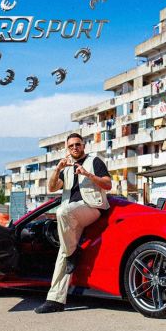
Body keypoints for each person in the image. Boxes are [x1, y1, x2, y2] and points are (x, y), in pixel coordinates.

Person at [35, 133, 112, 314]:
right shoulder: (67, 168)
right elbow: (52, 188)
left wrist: (88, 174)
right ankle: (55, 300)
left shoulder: (94, 162)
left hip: (92, 208)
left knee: (62, 212)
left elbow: (108, 185)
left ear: (83, 145)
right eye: (71, 146)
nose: (75, 148)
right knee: (63, 252)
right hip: (71, 214)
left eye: (78, 144)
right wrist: (57, 169)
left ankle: (73, 253)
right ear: (67, 149)